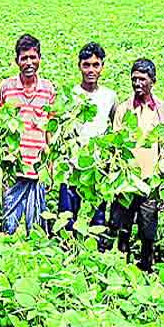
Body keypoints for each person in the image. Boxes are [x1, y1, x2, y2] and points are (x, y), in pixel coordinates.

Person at [106, 58, 164, 272]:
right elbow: (116, 145)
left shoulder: (162, 110)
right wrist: (115, 177)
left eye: (142, 79)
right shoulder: (124, 109)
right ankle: (122, 267)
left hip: (150, 181)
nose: (137, 84)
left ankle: (146, 268)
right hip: (126, 179)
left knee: (148, 231)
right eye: (134, 79)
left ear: (153, 81)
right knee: (121, 227)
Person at [0, 34, 57, 235]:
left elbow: (51, 130)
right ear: (17, 61)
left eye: (33, 57)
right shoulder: (6, 88)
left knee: (36, 225)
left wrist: (50, 166)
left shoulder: (48, 90)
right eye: (24, 58)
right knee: (10, 223)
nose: (29, 62)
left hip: (38, 168)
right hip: (13, 167)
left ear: (39, 58)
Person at [58, 42, 116, 232]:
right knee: (67, 221)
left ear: (102, 67)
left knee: (97, 223)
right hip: (71, 170)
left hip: (97, 171)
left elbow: (116, 129)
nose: (91, 70)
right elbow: (60, 130)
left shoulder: (109, 97)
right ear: (79, 66)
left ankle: (94, 257)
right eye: (86, 65)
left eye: (95, 65)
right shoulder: (71, 95)